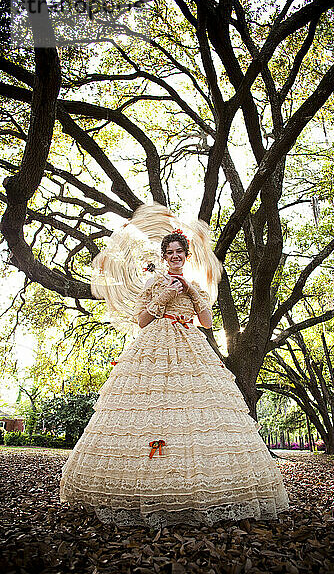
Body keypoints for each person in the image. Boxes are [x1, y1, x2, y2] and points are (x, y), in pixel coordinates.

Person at [60, 212, 288, 528]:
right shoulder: (153, 283)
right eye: (170, 254)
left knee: (195, 413)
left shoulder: (195, 285)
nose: (175, 257)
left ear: (186, 256)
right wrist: (167, 292)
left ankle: (193, 482)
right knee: (155, 411)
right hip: (155, 348)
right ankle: (153, 474)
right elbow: (141, 321)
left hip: (190, 348)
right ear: (164, 257)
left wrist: (189, 290)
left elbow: (207, 323)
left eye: (180, 253)